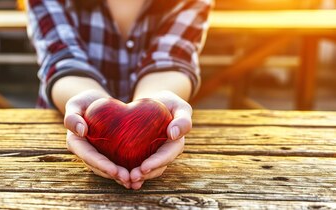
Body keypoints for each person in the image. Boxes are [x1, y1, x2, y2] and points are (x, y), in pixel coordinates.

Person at [26, 0, 212, 190]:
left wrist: (156, 112)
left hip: (148, 141)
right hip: (52, 150)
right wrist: (90, 111)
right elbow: (64, 59)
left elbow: (172, 59)